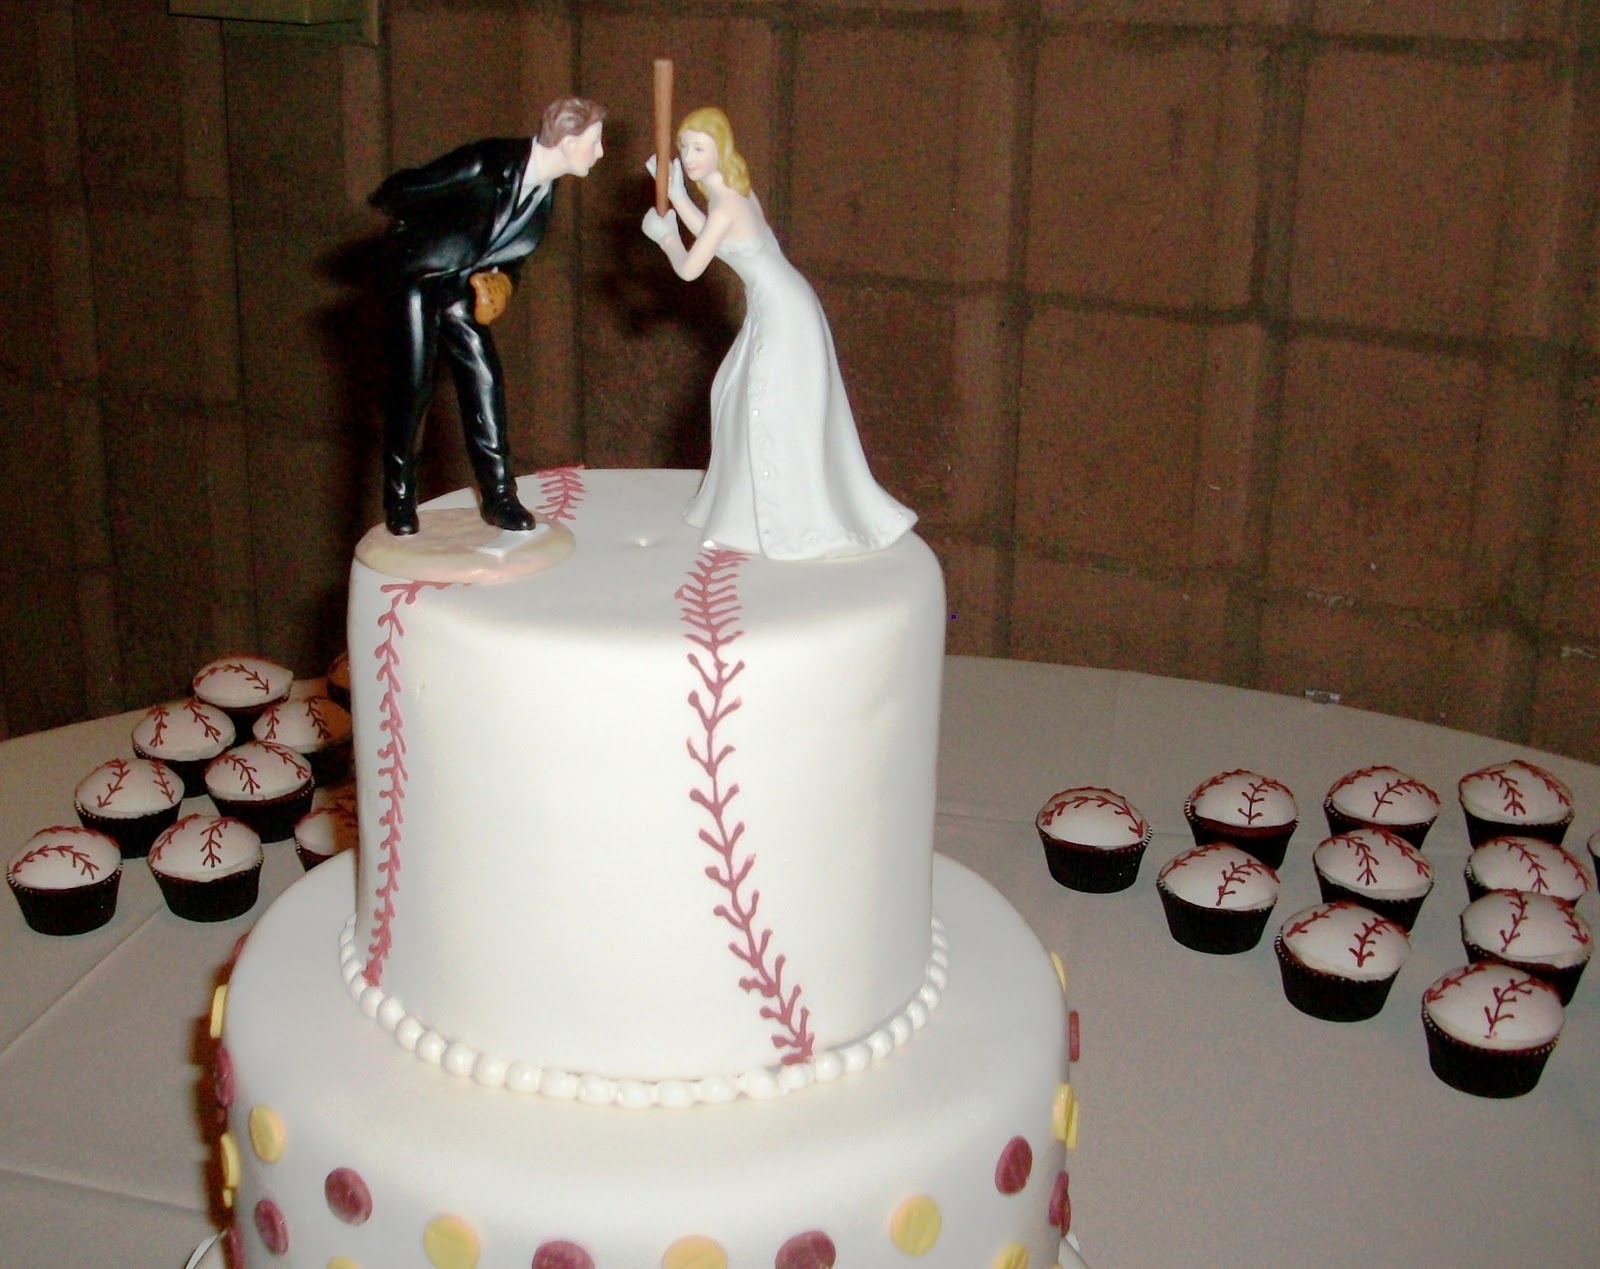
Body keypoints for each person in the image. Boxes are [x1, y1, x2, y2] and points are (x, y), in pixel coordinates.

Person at [641, 107, 915, 560]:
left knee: (768, 405)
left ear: (720, 149)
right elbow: (715, 236)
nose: (688, 157)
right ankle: (740, 507)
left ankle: (788, 519)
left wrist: (665, 237)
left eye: (699, 148)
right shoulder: (732, 192)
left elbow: (691, 268)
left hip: (782, 312)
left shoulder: (728, 204)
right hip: (779, 304)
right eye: (684, 147)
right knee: (729, 391)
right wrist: (677, 196)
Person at [370, 97, 606, 536]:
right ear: (568, 141)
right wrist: (417, 240)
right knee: (413, 389)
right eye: (594, 142)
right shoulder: (490, 161)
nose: (600, 152)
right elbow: (402, 189)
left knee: (485, 379)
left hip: (463, 287)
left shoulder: (544, 191)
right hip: (420, 280)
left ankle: (499, 497)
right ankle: (400, 499)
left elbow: (511, 255)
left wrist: (503, 284)